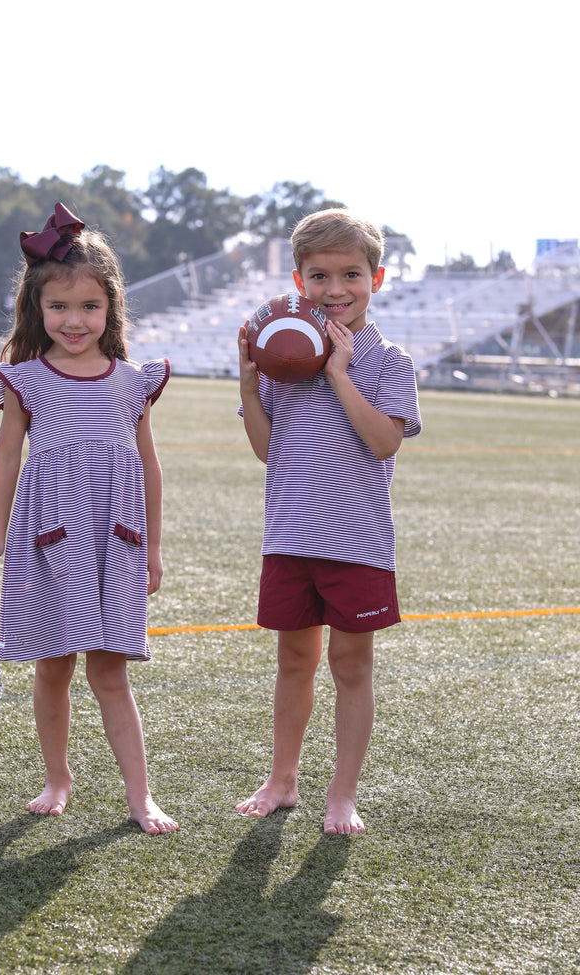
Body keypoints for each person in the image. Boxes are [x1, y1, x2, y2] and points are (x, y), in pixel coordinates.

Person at [0, 203, 178, 835]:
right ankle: (57, 777)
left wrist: (152, 549)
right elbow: (7, 458)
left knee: (109, 670)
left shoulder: (133, 382)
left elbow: (149, 466)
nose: (73, 320)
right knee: (53, 665)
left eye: (89, 307)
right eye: (58, 307)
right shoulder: (24, 381)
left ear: (110, 308)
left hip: (115, 543)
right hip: (46, 541)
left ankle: (140, 796)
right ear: (38, 310)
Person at [236, 208, 422, 834]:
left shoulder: (389, 361)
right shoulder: (283, 356)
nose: (334, 290)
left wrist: (338, 373)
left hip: (358, 544)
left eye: (350, 274)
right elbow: (266, 448)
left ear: (378, 277)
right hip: (289, 538)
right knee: (294, 660)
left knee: (350, 665)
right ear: (298, 280)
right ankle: (282, 779)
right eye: (319, 276)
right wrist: (249, 376)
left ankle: (342, 793)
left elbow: (383, 443)